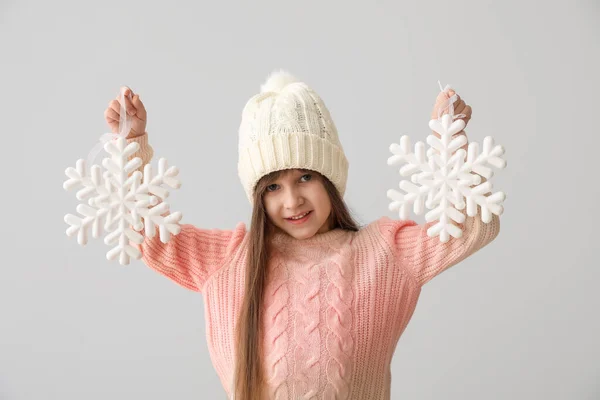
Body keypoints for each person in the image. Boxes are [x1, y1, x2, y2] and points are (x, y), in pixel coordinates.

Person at [103, 70, 500, 400]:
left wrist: (450, 141)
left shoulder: (382, 253)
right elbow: (143, 230)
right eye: (273, 187)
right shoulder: (229, 259)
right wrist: (132, 144)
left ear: (330, 179)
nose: (292, 201)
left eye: (305, 177)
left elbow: (470, 228)